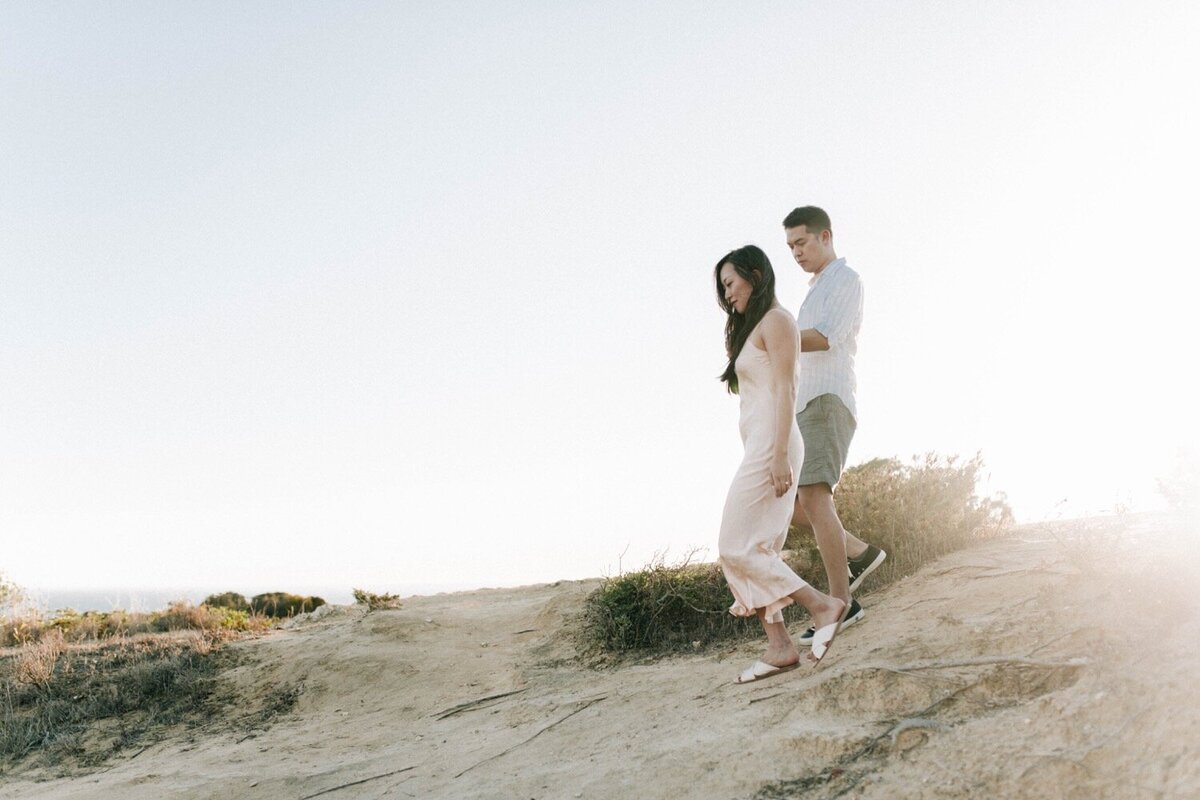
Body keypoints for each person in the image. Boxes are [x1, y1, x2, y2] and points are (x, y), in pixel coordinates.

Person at [714, 245, 849, 683]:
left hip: (774, 446)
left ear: (755, 275)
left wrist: (775, 457)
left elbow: (788, 388)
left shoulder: (777, 321)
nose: (727, 294)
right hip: (759, 444)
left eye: (731, 283)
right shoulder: (755, 327)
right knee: (754, 547)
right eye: (723, 288)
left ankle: (823, 605)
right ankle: (779, 646)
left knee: (735, 544)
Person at [781, 207, 887, 646]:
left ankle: (841, 606)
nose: (796, 253)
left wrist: (773, 332)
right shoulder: (813, 290)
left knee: (814, 494)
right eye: (790, 247)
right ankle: (861, 553)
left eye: (801, 243)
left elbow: (824, 337)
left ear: (825, 236)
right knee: (787, 506)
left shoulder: (846, 279)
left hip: (829, 400)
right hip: (804, 405)